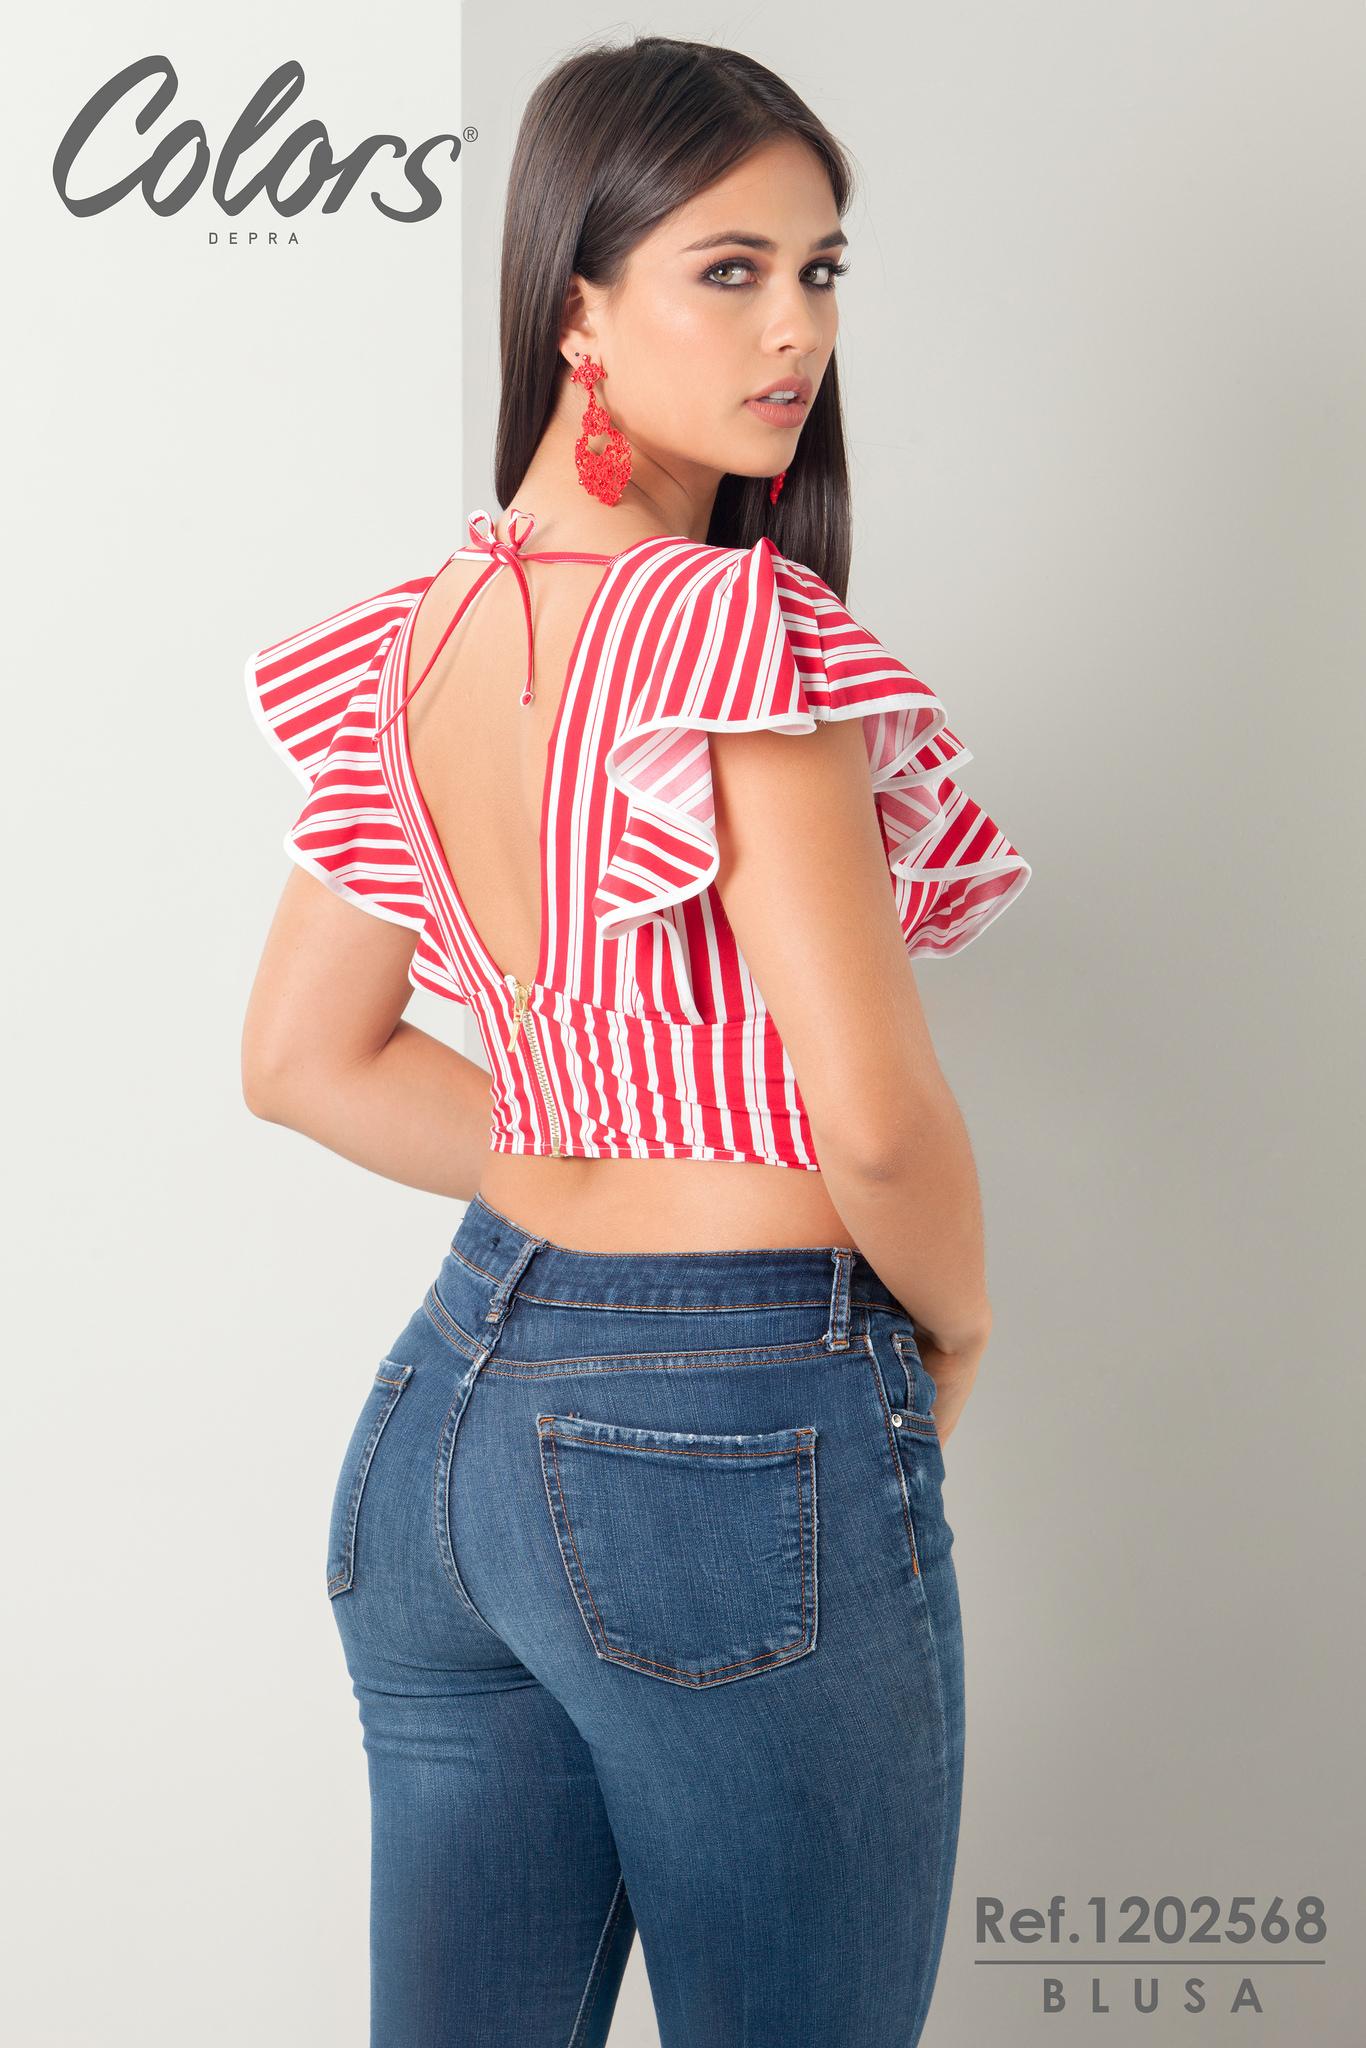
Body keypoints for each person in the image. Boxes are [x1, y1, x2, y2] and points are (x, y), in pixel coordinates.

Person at [241, 34, 1030, 2048]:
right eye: (727, 270)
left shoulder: (415, 638)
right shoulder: (734, 632)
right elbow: (871, 1115)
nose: (795, 332)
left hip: (444, 1424)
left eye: (820, 272)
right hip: (722, 1426)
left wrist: (592, 1147)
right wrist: (952, 1326)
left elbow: (306, 1056)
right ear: (574, 305)